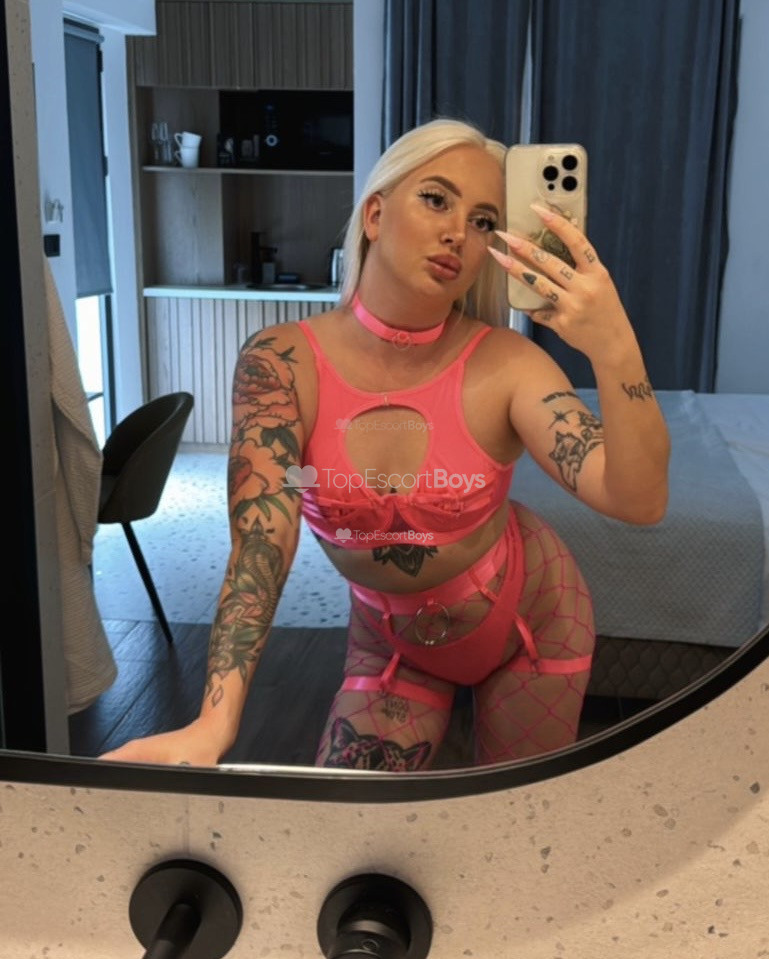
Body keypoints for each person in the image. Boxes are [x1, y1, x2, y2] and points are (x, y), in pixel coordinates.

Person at [102, 118, 670, 771]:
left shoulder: (510, 365)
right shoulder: (281, 363)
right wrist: (213, 724)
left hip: (534, 620)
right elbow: (262, 541)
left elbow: (639, 499)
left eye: (483, 221)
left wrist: (613, 344)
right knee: (347, 822)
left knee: (511, 822)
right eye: (436, 199)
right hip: (393, 640)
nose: (458, 232)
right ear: (374, 214)